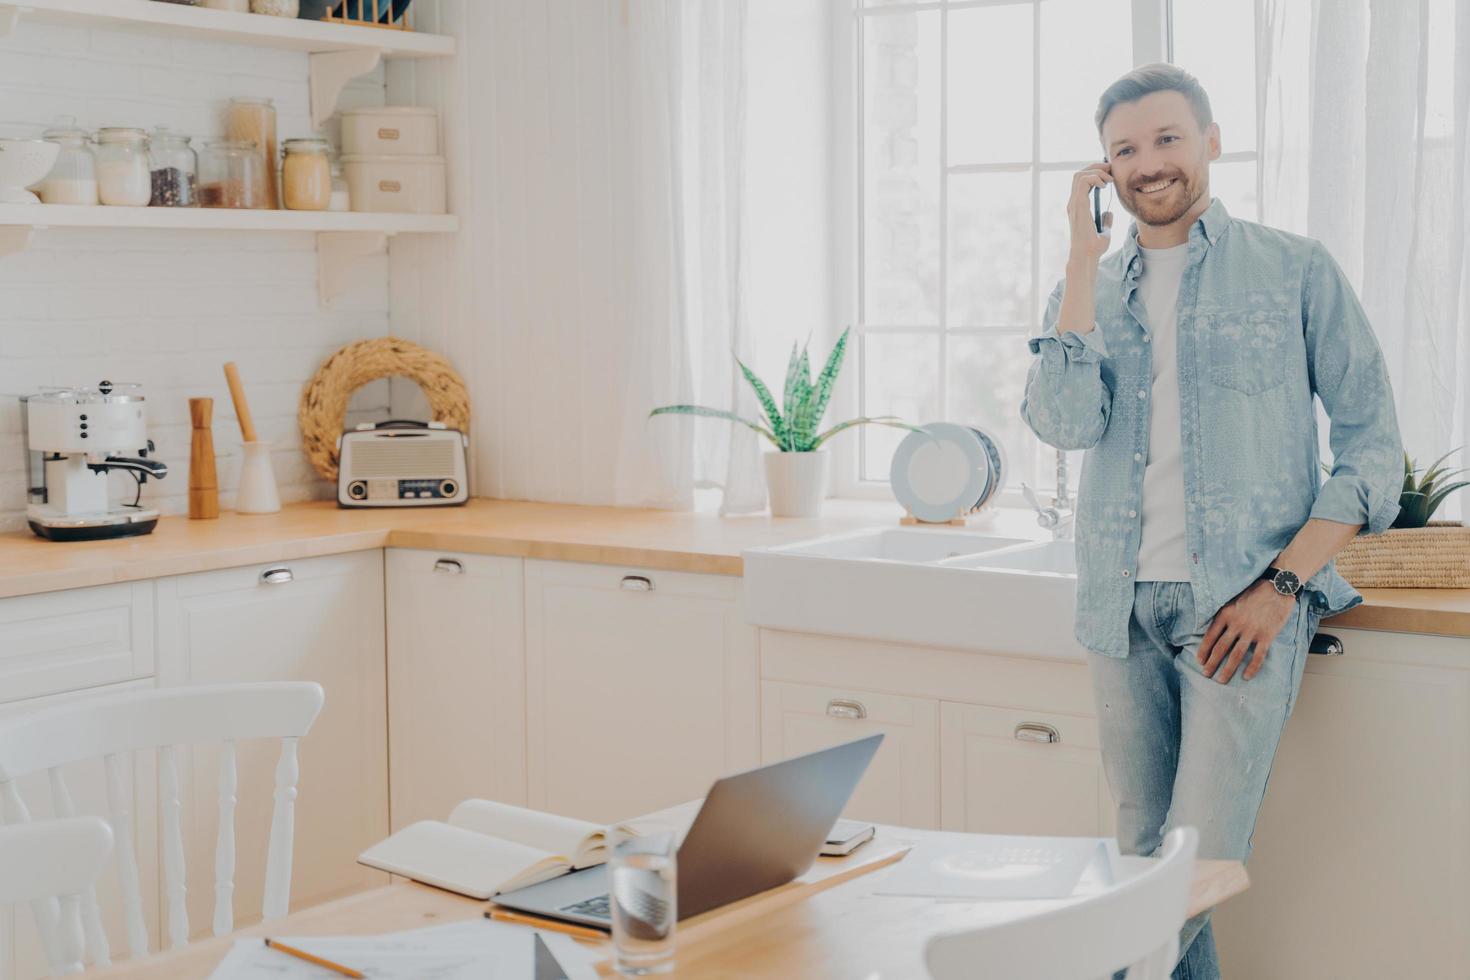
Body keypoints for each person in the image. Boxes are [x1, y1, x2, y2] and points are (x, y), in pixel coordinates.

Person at [1020, 63, 1403, 980]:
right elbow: (1064, 426)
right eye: (1124, 150)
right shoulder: (1091, 293)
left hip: (1240, 608)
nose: (1148, 163)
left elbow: (1373, 448)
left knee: (1183, 877)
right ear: (1104, 171)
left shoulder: (1295, 269)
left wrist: (1282, 588)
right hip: (1119, 609)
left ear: (1211, 140)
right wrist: (1079, 258)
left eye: (1166, 139)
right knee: (1141, 862)